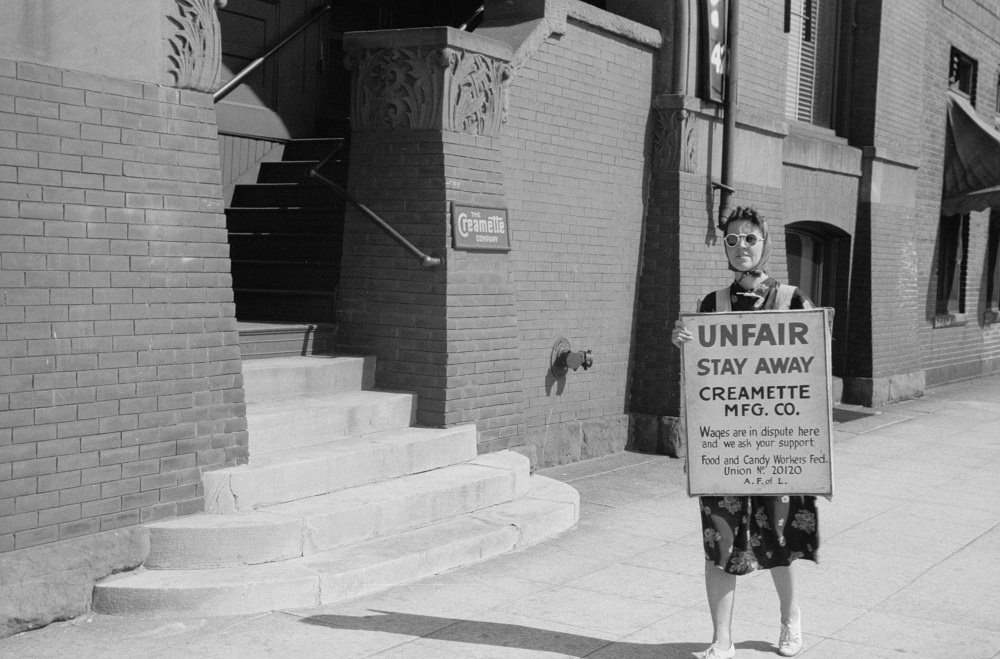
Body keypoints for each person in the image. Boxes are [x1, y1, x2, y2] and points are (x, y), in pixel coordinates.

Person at [671, 207, 819, 659]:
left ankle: (790, 622)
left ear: (765, 242)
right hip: (725, 446)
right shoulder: (710, 304)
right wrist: (683, 338)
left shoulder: (794, 300)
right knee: (721, 543)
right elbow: (702, 376)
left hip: (776, 446)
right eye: (732, 240)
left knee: (778, 541)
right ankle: (722, 639)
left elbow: (814, 359)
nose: (741, 247)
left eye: (749, 239)